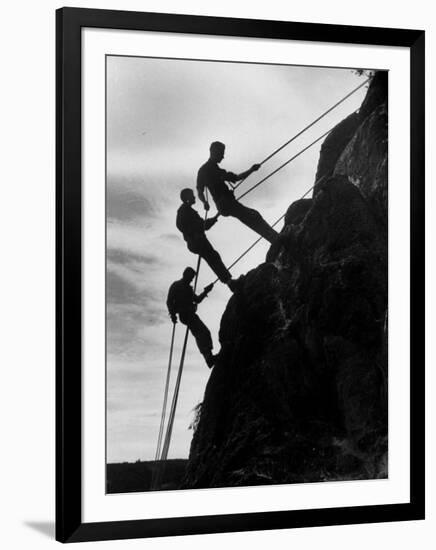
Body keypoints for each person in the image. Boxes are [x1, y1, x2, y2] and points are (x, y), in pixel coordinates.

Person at [197, 141, 279, 243]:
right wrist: (251, 170)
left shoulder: (203, 170)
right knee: (253, 217)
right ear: (214, 152)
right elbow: (237, 178)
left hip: (223, 205)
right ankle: (275, 238)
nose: (223, 156)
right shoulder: (214, 170)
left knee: (252, 216)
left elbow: (199, 191)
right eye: (221, 153)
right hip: (226, 202)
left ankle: (274, 238)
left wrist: (204, 202)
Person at [176, 188, 237, 291]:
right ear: (187, 198)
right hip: (197, 241)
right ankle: (230, 283)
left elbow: (203, 225)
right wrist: (193, 234)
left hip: (196, 241)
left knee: (213, 257)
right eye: (192, 195)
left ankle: (229, 282)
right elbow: (184, 226)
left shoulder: (187, 211)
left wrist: (214, 218)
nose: (194, 197)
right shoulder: (184, 210)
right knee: (213, 258)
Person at [166, 267, 215, 368]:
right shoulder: (176, 286)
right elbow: (169, 301)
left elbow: (196, 300)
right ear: (185, 275)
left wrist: (206, 291)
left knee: (202, 332)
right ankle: (208, 358)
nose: (192, 280)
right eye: (191, 277)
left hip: (189, 314)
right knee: (202, 332)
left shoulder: (187, 288)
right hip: (186, 315)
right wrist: (173, 315)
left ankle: (208, 357)